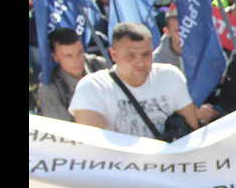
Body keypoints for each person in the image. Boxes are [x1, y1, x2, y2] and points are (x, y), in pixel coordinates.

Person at [69, 21, 198, 137]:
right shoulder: (93, 87)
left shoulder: (171, 76)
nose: (140, 62)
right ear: (114, 55)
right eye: (130, 56)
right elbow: (93, 144)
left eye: (146, 54)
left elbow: (191, 129)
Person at [37, 27, 109, 121]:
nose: (77, 61)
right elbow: (61, 129)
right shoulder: (50, 87)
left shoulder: (100, 66)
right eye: (68, 56)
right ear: (54, 57)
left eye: (80, 52)